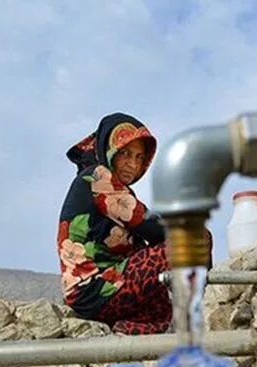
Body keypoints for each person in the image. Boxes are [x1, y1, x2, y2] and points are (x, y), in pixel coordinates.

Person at [57, 112, 173, 335]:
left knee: (160, 300)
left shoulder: (111, 186)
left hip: (96, 293)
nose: (133, 164)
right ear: (109, 151)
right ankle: (206, 303)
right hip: (95, 290)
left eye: (140, 158)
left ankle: (125, 332)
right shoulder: (97, 177)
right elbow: (153, 228)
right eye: (126, 154)